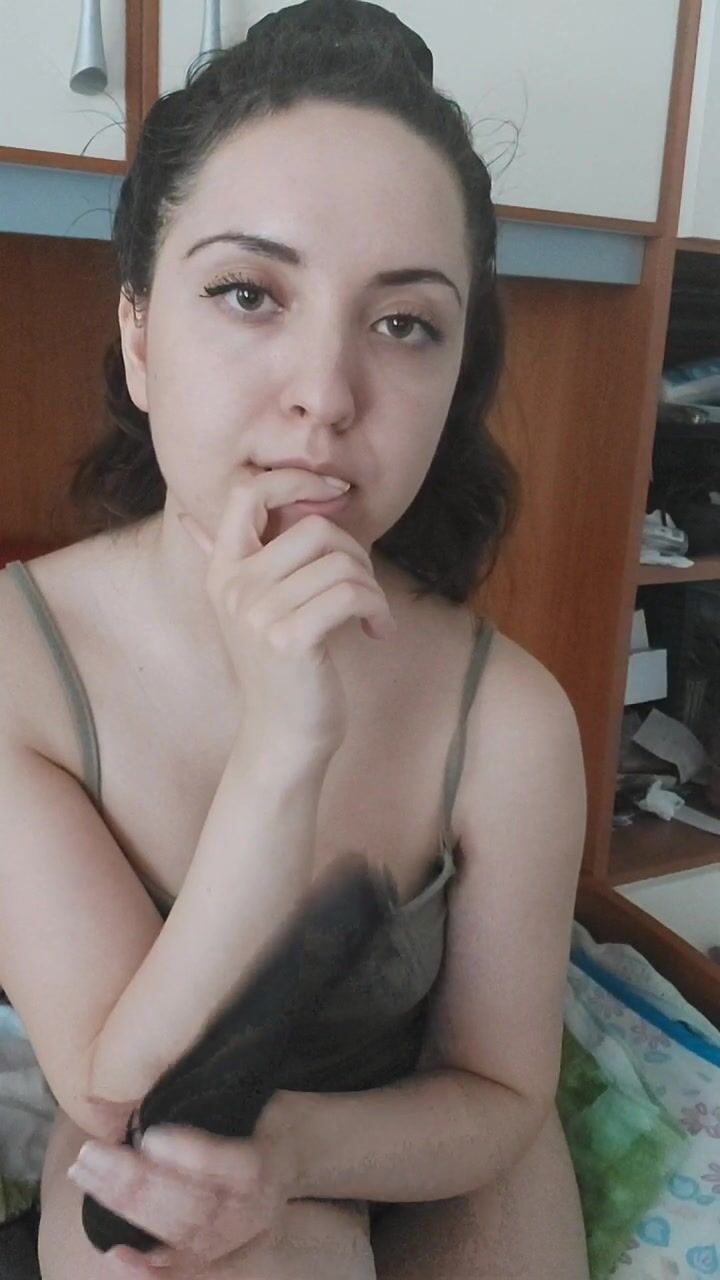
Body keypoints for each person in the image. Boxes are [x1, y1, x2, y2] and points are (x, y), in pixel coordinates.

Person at [0, 2, 589, 1275]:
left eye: (404, 322)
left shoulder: (507, 714)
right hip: (155, 1117)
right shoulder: (22, 662)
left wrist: (300, 1152)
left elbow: (497, 1086)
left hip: (422, 1127)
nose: (325, 394)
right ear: (140, 336)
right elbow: (115, 1089)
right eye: (247, 292)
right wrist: (282, 750)